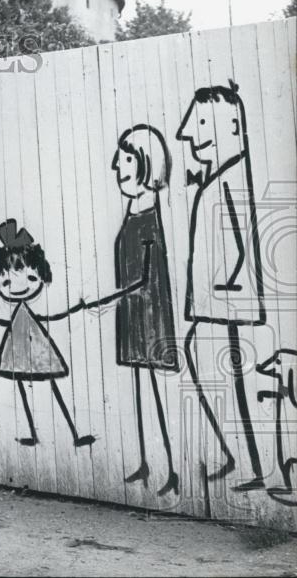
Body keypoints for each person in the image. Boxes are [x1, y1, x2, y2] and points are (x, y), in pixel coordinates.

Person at [176, 81, 266, 491]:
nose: (186, 134)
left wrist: (228, 286)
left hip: (227, 300)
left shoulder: (232, 176)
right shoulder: (222, 174)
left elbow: (245, 237)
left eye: (198, 122)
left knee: (233, 375)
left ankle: (251, 464)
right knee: (220, 367)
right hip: (217, 299)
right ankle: (243, 459)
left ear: (229, 124)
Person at [84, 125, 178, 496]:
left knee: (155, 389)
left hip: (150, 314)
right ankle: (145, 461)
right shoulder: (131, 212)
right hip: (133, 312)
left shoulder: (150, 219)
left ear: (145, 164)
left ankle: (170, 466)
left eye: (125, 159)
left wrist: (107, 303)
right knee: (140, 386)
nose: (116, 166)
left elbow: (145, 278)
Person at [0, 219, 94, 448]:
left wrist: (74, 309)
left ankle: (73, 432)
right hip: (17, 346)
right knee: (23, 387)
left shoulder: (25, 312)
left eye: (30, 278)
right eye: (7, 281)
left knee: (52, 385)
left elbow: (50, 318)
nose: (17, 286)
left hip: (34, 345)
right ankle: (33, 433)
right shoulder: (18, 312)